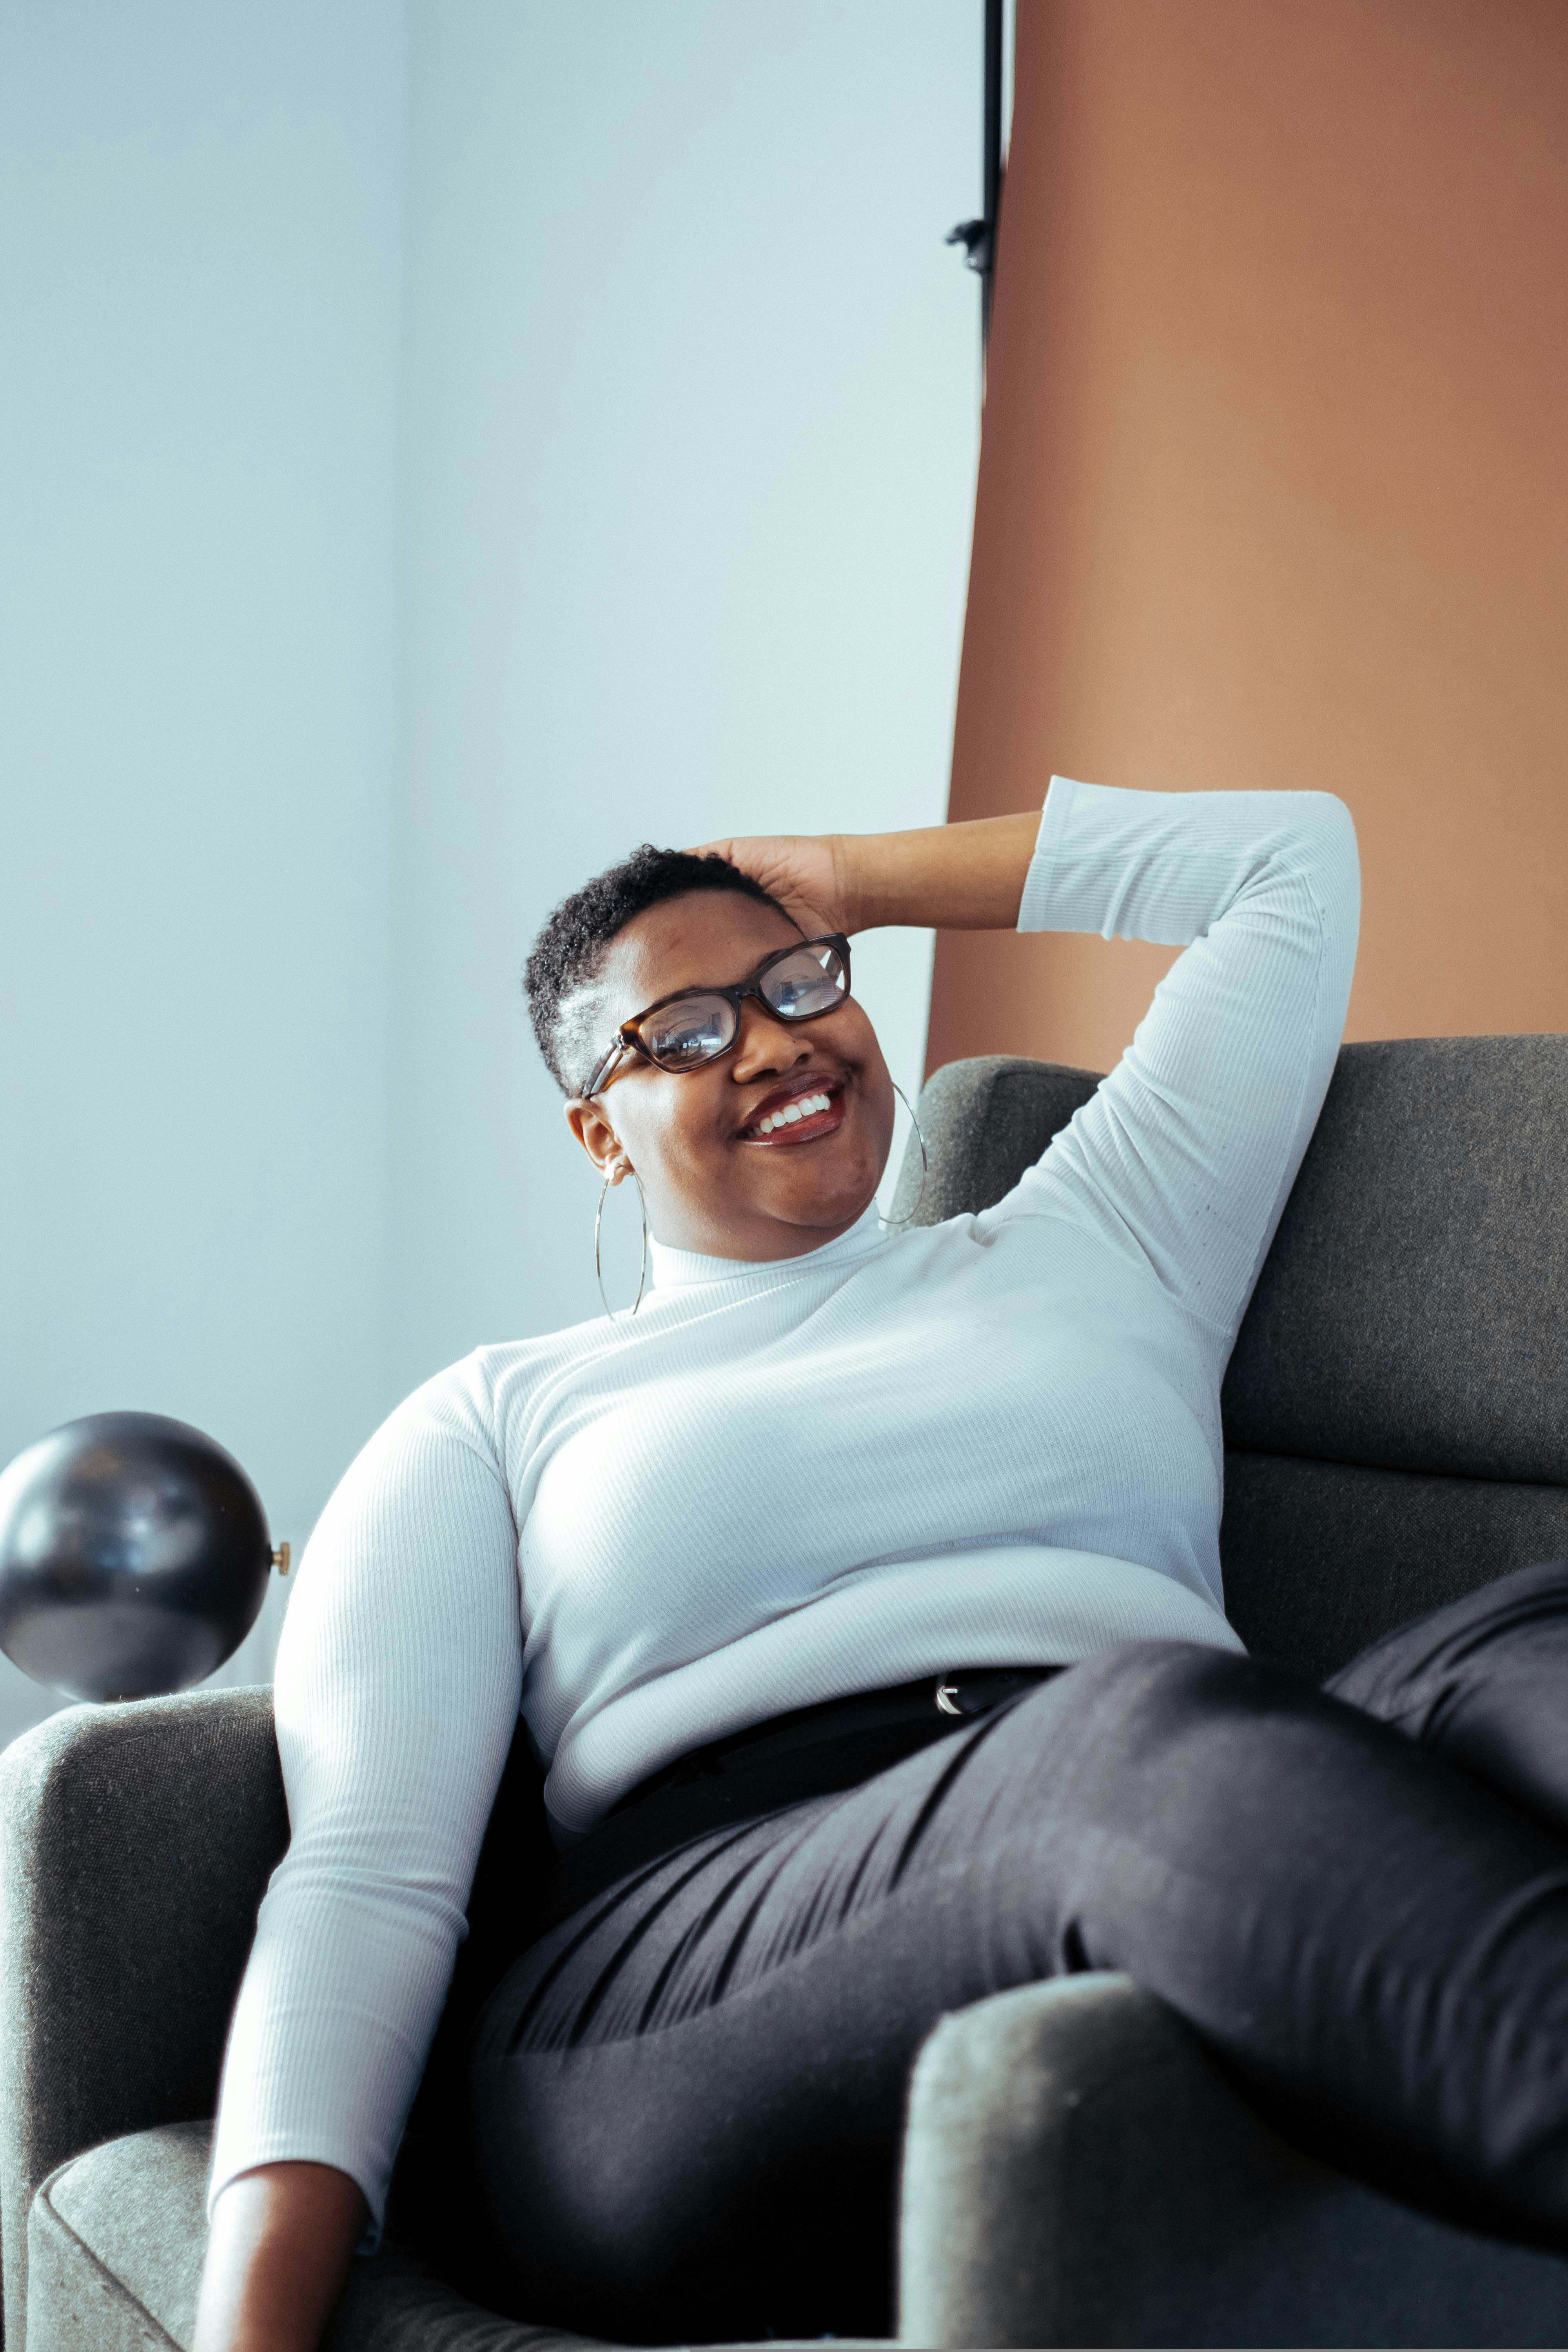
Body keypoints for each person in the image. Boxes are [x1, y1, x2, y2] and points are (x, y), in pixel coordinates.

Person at [194, 782, 1568, 2352]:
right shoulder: (496, 1413)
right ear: (597, 1130)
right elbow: (371, 1874)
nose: (774, 1045)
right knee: (1128, 1742)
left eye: (797, 985)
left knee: (1520, 1640)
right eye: (689, 1032)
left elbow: (1288, 863)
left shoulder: (1097, 1234)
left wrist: (852, 876)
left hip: (1154, 1808)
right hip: (682, 1991)